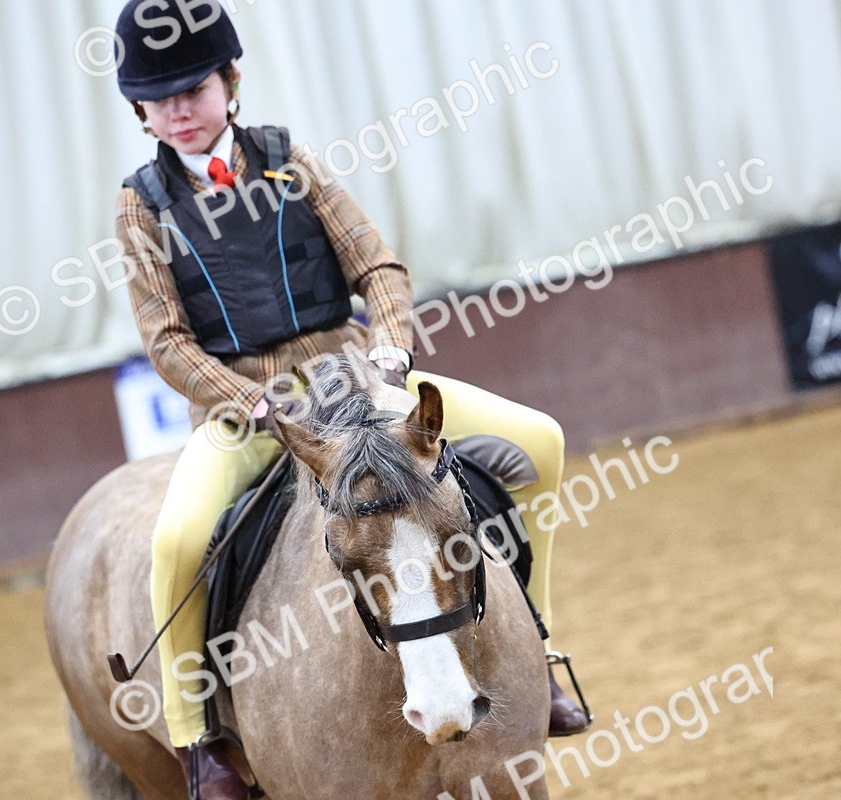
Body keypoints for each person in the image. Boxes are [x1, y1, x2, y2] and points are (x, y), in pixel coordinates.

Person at [111, 2, 588, 796]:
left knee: (539, 439)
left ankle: (537, 651)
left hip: (355, 380)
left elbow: (379, 268)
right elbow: (165, 340)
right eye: (159, 101)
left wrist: (392, 348)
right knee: (178, 540)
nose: (178, 112)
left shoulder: (288, 158)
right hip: (248, 412)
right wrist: (251, 401)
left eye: (191, 90)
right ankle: (199, 739)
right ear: (141, 112)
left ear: (229, 82)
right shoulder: (141, 204)